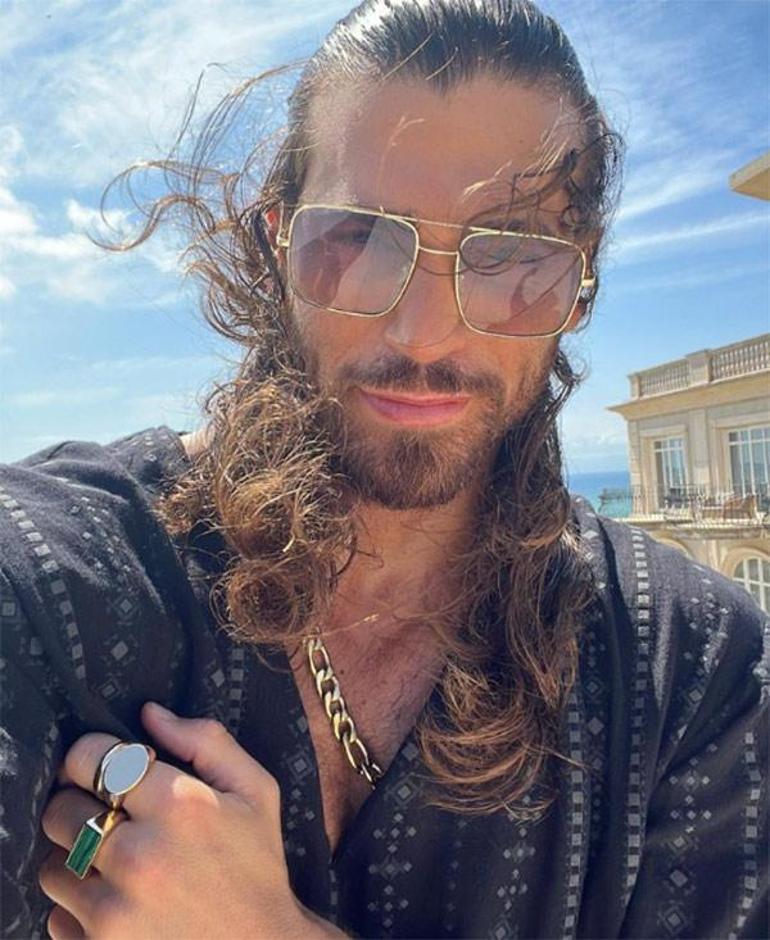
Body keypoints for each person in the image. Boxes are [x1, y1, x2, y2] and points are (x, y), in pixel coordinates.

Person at [1, 1, 768, 937]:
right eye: (358, 238)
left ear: (580, 284)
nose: (423, 333)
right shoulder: (44, 583)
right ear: (277, 243)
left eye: (511, 252)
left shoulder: (694, 666)